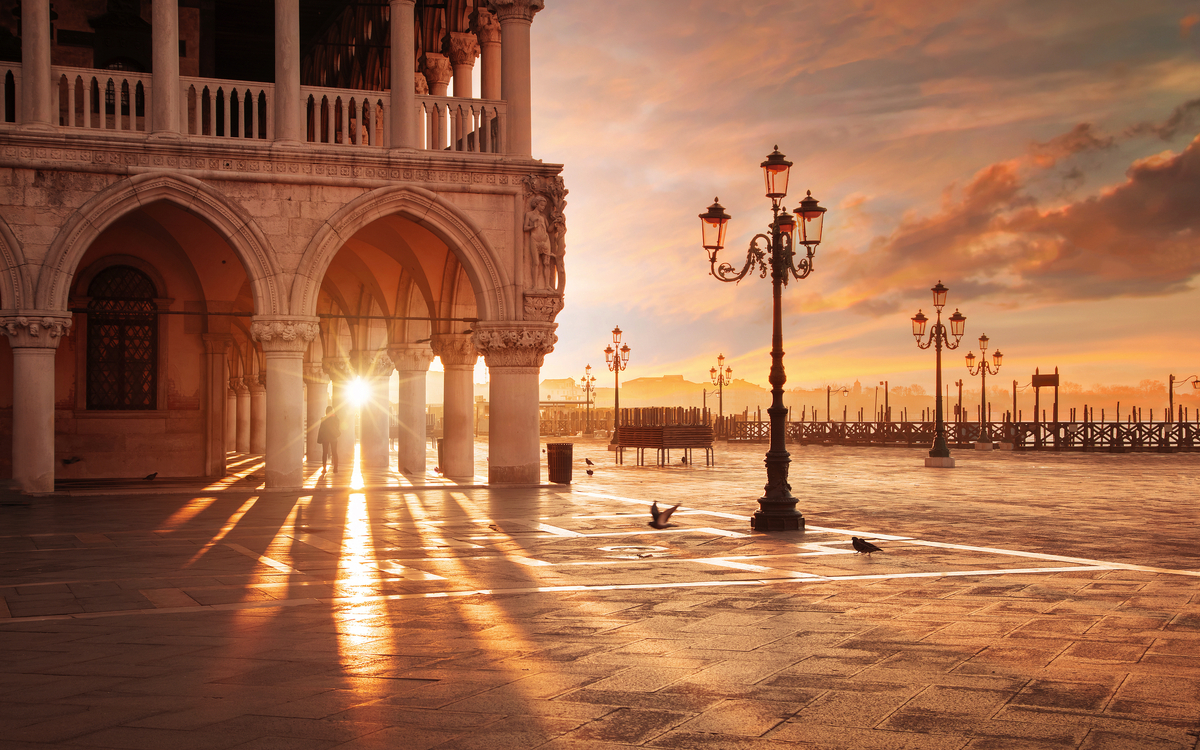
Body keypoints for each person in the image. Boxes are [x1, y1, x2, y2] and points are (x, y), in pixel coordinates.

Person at [317, 405, 340, 473]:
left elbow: (321, 429)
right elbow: (337, 428)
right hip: (333, 438)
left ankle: (324, 468)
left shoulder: (324, 419)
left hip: (325, 438)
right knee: (334, 453)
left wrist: (319, 439)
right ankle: (335, 468)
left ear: (326, 412)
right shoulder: (336, 419)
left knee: (325, 453)